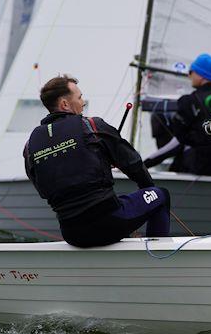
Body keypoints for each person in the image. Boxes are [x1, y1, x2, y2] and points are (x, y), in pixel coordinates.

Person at [23, 75, 170, 247]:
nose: (83, 102)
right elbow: (133, 163)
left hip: (73, 235)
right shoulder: (92, 126)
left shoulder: (30, 147)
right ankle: (157, 259)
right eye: (79, 97)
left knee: (117, 203)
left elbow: (43, 190)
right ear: (64, 104)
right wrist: (148, 188)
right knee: (161, 195)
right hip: (110, 224)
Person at [144, 53, 211, 175]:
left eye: (191, 71)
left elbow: (178, 141)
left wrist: (144, 164)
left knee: (181, 152)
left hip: (203, 167)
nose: (189, 75)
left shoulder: (189, 101)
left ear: (201, 76)